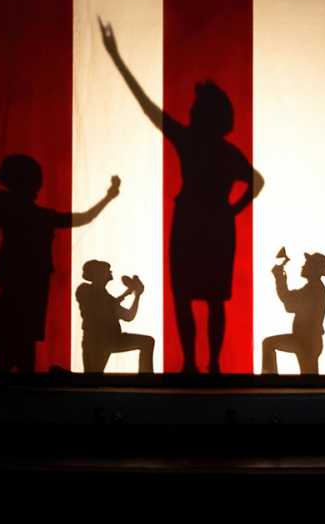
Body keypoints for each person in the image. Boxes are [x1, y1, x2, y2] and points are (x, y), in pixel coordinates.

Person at [100, 18, 264, 374]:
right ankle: (212, 364)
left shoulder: (190, 142)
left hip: (190, 222)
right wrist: (232, 210)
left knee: (186, 295)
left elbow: (148, 107)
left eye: (195, 108)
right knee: (214, 299)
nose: (189, 111)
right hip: (216, 224)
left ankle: (193, 362)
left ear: (204, 115)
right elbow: (257, 182)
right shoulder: (227, 152)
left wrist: (115, 56)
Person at [0, 159, 120, 373]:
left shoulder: (6, 206)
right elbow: (83, 218)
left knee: (20, 336)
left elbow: (83, 218)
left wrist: (108, 197)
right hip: (24, 278)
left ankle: (14, 377)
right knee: (20, 336)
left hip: (23, 277)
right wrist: (108, 197)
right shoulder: (19, 210)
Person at [76, 260, 154, 373]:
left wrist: (137, 296)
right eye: (107, 270)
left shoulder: (108, 298)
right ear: (98, 274)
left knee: (147, 342)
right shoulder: (84, 290)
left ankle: (146, 378)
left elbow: (128, 316)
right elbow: (103, 306)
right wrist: (129, 292)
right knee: (91, 380)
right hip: (95, 341)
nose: (110, 272)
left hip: (113, 339)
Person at [261, 252, 325, 375]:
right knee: (310, 379)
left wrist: (280, 279)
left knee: (268, 344)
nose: (303, 266)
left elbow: (290, 304)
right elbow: (291, 303)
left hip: (306, 342)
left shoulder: (314, 289)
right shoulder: (314, 288)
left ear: (314, 269)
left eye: (307, 264)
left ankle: (269, 379)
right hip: (306, 341)